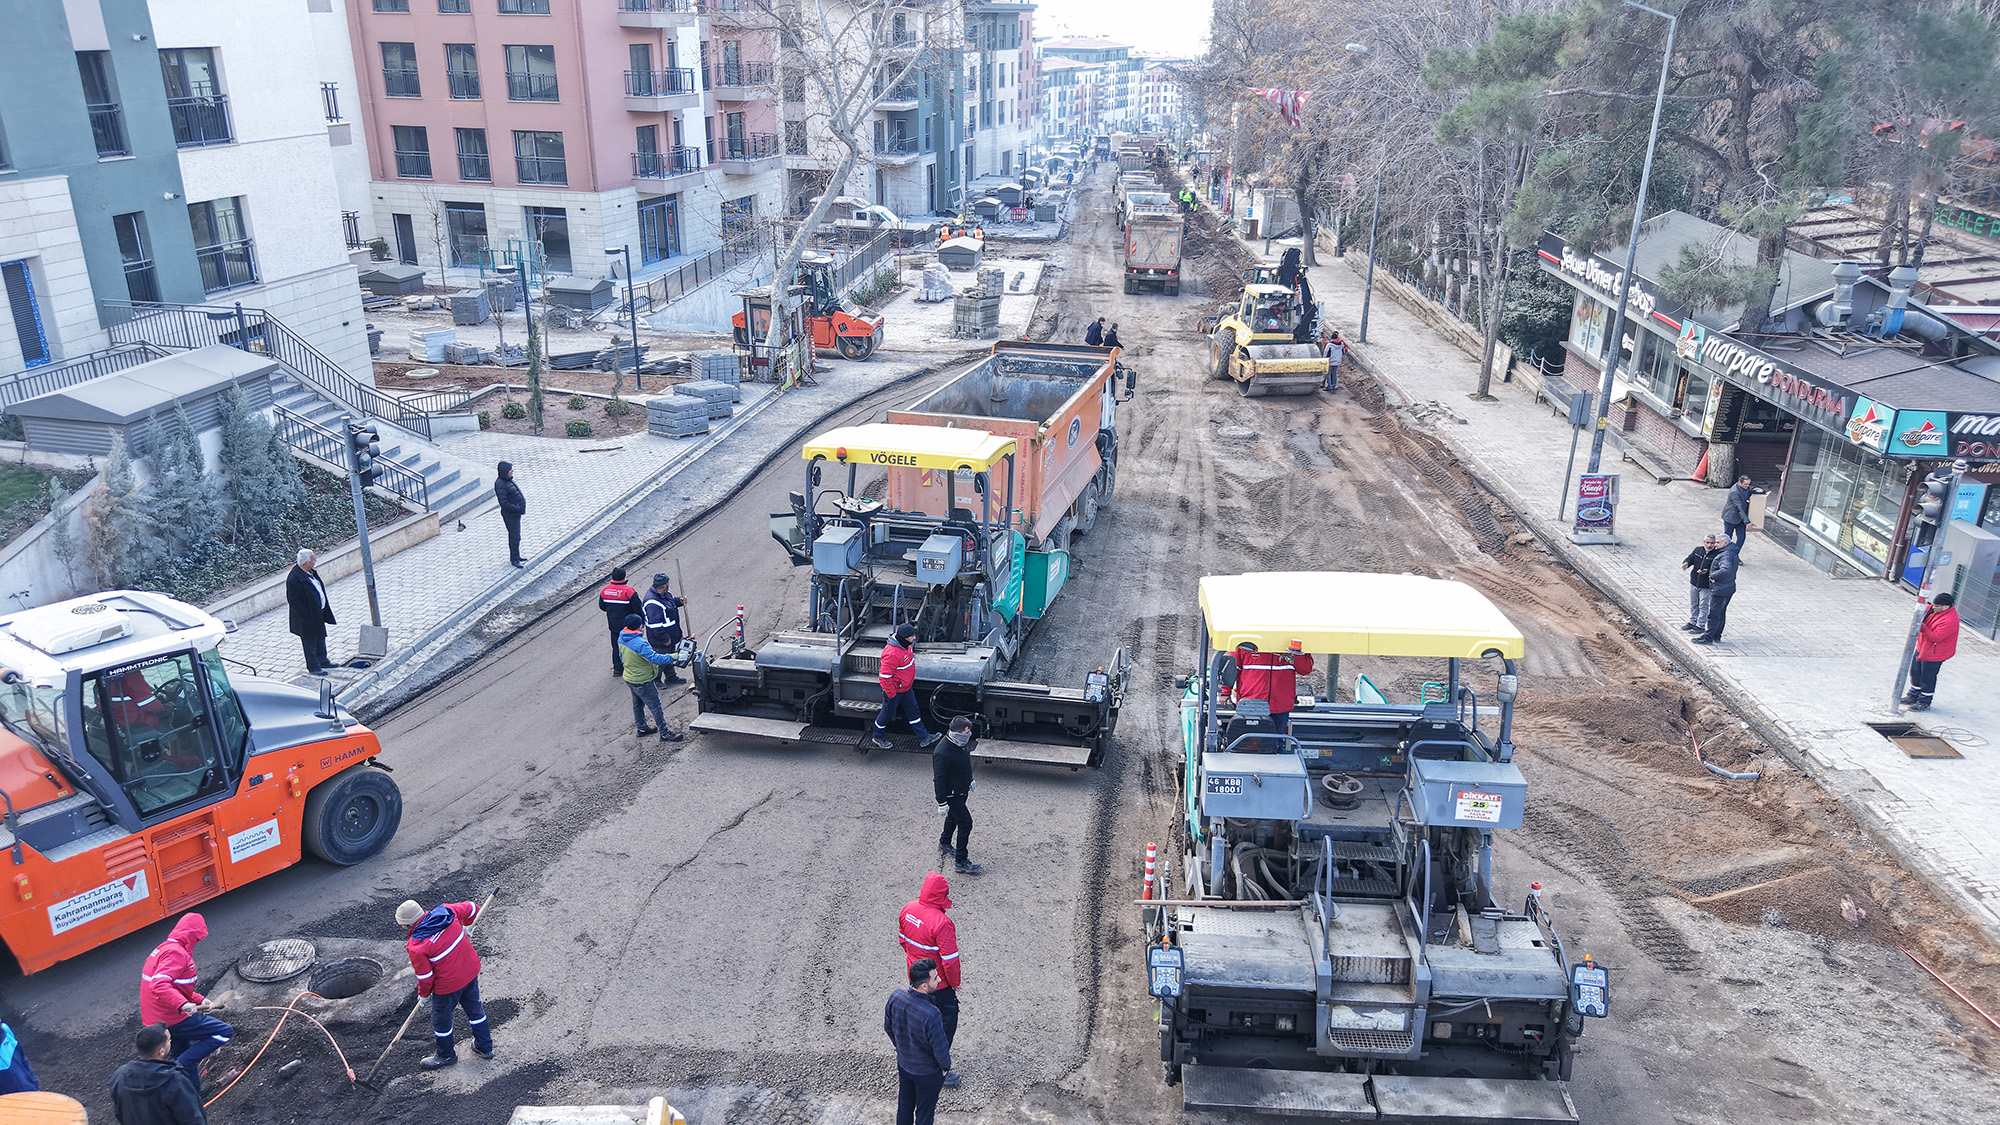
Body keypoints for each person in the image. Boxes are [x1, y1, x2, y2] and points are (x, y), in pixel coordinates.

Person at [139, 914, 231, 1093]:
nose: (197, 942)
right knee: (224, 1032)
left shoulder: (164, 948)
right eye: (197, 938)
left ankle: (193, 1093)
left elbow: (175, 986)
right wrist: (183, 1004)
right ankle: (178, 1067)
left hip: (155, 1017)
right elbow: (159, 985)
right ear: (191, 936)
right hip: (170, 1017)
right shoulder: (177, 954)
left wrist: (199, 1000)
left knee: (182, 1050)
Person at [399, 898, 493, 1069]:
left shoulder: (416, 946)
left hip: (447, 986)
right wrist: (467, 925)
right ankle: (484, 1046)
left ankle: (446, 1055)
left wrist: (424, 994)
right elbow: (473, 908)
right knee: (475, 1009)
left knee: (441, 1020)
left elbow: (425, 976)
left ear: (406, 925)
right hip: (470, 971)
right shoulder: (447, 911)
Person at [897, 873, 962, 1088]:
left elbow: (903, 941)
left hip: (915, 978)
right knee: (944, 1024)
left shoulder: (907, 910)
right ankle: (936, 1069)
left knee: (920, 1019)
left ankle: (914, 1058)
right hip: (938, 986)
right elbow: (950, 961)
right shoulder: (942, 923)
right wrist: (954, 983)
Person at [883, 958, 952, 1125]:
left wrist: (901, 1048)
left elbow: (888, 1027)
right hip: (927, 1073)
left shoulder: (896, 997)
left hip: (904, 1065)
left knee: (905, 1106)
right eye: (935, 978)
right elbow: (940, 1047)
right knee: (924, 1114)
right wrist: (945, 1067)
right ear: (924, 986)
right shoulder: (932, 1013)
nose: (939, 979)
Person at [109, 1024, 206, 1125]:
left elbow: (120, 1113)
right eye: (169, 1040)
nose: (171, 1042)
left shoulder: (120, 1076)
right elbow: (192, 1119)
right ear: (161, 1051)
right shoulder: (175, 1080)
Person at [867, 623, 939, 750]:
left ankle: (924, 737)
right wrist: (891, 694)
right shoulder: (892, 654)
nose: (914, 638)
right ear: (904, 638)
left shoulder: (906, 646)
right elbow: (884, 677)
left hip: (905, 688)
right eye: (912, 636)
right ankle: (877, 736)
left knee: (914, 711)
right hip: (896, 691)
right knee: (887, 715)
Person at [619, 614, 686, 742]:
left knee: (637, 704)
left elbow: (621, 656)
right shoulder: (640, 643)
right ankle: (664, 733)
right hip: (643, 680)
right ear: (639, 626)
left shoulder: (622, 637)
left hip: (630, 678)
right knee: (655, 706)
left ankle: (641, 728)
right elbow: (655, 659)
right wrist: (675, 656)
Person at [1225, 639, 1315, 734]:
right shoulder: (1247, 641)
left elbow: (1305, 669)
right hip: (1250, 703)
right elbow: (1232, 668)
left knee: (1276, 739)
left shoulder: (1293, 641)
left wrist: (1295, 652)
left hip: (1280, 704)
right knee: (1248, 740)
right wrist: (1225, 692)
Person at [934, 717, 980, 875]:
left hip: (961, 790)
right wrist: (941, 802)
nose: (969, 734)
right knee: (966, 823)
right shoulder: (942, 752)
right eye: (967, 731)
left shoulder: (961, 742)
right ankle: (961, 861)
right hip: (952, 795)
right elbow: (939, 779)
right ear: (959, 732)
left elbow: (965, 763)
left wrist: (970, 779)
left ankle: (944, 842)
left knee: (953, 818)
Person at [1904, 592, 1960, 711]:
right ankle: (1913, 695)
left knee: (1927, 677)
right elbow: (1923, 609)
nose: (1933, 607)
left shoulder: (1950, 620)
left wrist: (1922, 627)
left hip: (1935, 654)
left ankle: (1924, 701)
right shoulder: (1933, 609)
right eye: (1933, 604)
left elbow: (1936, 637)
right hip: (1922, 648)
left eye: (1936, 606)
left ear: (1945, 607)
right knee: (1915, 672)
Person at [284, 549, 336, 676]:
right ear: (306, 562)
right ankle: (313, 667)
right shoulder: (294, 578)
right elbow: (293, 600)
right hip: (307, 618)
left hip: (318, 613)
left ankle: (323, 661)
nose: (315, 561)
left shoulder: (311, 572)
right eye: (313, 559)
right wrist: (307, 614)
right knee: (310, 643)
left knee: (320, 638)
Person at [642, 573, 688, 685]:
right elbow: (655, 625)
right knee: (661, 661)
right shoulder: (653, 603)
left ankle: (671, 677)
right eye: (667, 584)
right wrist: (665, 639)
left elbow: (669, 603)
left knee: (670, 658)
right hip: (661, 639)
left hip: (670, 636)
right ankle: (656, 679)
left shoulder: (663, 594)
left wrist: (679, 601)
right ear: (663, 586)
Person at [597, 568, 642, 677]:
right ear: (624, 577)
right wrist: (641, 620)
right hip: (629, 624)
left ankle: (617, 668)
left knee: (616, 646)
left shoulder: (605, 590)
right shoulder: (628, 591)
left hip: (613, 624)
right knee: (632, 645)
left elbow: (602, 606)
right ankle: (633, 666)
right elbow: (637, 607)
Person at [1694, 541, 1740, 645]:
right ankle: (1716, 635)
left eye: (1718, 542)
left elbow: (1725, 570)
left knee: (1714, 614)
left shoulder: (1725, 555)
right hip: (1728, 588)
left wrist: (1712, 575)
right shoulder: (1731, 552)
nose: (1715, 544)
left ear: (1725, 543)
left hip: (1720, 589)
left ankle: (1708, 637)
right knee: (1721, 612)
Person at [1680, 535, 1722, 633]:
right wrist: (1686, 563)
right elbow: (1690, 558)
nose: (1709, 545)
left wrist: (1707, 572)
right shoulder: (1698, 550)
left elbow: (1717, 569)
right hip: (1695, 582)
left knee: (1703, 605)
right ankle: (1692, 622)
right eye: (1708, 542)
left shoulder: (1717, 555)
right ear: (1704, 542)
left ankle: (1701, 625)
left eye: (1712, 543)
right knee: (1694, 604)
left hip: (1706, 585)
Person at [495, 461, 527, 567]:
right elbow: (504, 503)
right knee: (514, 536)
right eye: (510, 470)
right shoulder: (500, 484)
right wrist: (517, 508)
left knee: (516, 536)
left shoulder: (507, 481)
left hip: (515, 514)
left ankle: (517, 555)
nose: (512, 471)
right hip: (510, 515)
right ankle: (514, 559)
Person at [0, 1018, 37, 1095]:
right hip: (10, 1101)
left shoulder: (6, 1030)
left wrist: (34, 1082)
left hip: (31, 1092)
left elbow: (22, 1057)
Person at [1721, 474, 1755, 551]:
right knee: (1727, 538)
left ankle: (1735, 552)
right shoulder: (1735, 492)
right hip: (1731, 517)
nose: (1747, 486)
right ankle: (1725, 552)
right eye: (1745, 484)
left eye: (1748, 484)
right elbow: (1740, 508)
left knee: (1741, 537)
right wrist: (1747, 522)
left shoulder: (1745, 488)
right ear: (1740, 483)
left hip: (1740, 518)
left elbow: (1748, 492)